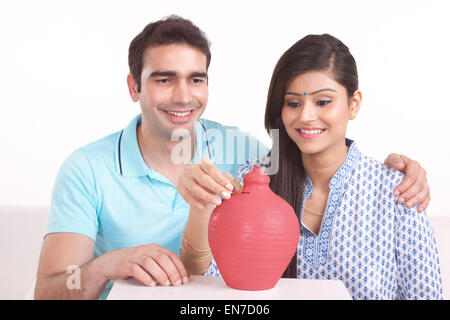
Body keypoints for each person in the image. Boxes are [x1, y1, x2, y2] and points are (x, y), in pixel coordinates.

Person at [35, 15, 431, 300]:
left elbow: (308, 146)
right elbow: (49, 291)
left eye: (195, 79)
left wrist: (398, 170)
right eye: (163, 79)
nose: (182, 95)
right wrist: (109, 265)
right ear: (133, 85)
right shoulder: (87, 168)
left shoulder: (245, 158)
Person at [179, 34, 442, 299]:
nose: (305, 115)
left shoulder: (397, 192)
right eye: (293, 103)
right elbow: (216, 285)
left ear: (354, 104)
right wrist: (201, 204)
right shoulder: (252, 181)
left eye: (323, 102)